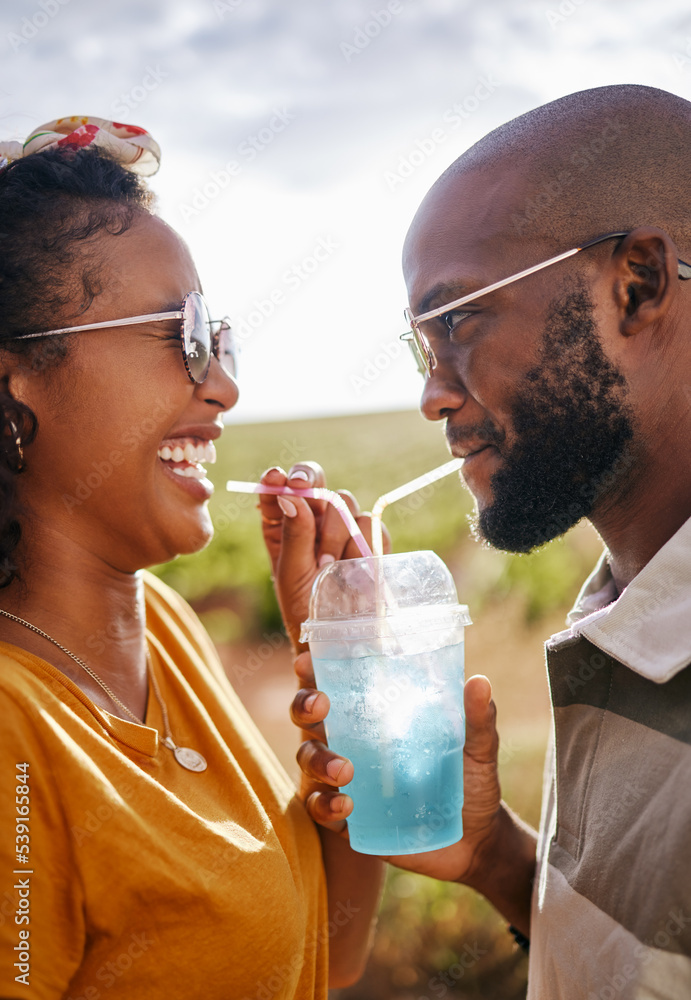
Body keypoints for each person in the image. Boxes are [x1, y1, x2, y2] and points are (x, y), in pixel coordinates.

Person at [276, 84, 691, 998]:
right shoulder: (630, 617)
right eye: (419, 345)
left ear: (638, 284)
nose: (433, 394)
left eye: (457, 320)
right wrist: (494, 855)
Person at [0, 117, 383, 998]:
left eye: (215, 334)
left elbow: (328, 951)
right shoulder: (13, 731)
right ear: (18, 379)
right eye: (179, 333)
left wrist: (343, 659)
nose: (222, 384)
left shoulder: (163, 629)